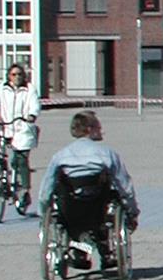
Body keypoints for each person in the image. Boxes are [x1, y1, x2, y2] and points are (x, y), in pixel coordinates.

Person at [38, 111, 139, 268]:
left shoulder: (60, 156)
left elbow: (46, 188)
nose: (101, 131)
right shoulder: (107, 154)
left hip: (69, 209)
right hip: (99, 207)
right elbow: (124, 186)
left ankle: (77, 250)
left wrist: (43, 211)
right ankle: (105, 250)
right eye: (99, 127)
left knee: (60, 190)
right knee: (112, 194)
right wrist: (132, 211)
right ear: (90, 129)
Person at [0, 63, 40, 214]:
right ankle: (2, 176)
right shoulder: (3, 89)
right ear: (9, 76)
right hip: (6, 127)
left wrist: (32, 115)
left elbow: (35, 104)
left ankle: (24, 190)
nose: (17, 77)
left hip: (23, 128)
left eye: (20, 74)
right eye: (14, 74)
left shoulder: (29, 89)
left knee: (20, 160)